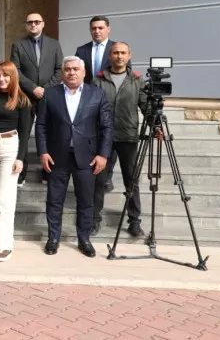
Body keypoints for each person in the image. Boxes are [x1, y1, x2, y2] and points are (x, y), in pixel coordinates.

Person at [36, 56, 113, 258]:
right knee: (54, 200)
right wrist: (43, 151)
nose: (71, 72)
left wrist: (103, 154)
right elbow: (41, 125)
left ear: (84, 72)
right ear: (62, 72)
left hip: (87, 157)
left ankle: (84, 239)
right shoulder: (50, 94)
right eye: (68, 69)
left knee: (86, 201)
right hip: (56, 156)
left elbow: (107, 127)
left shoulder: (97, 94)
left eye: (76, 69)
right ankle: (53, 238)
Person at [92, 42, 147, 237]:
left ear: (129, 55)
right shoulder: (98, 79)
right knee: (98, 180)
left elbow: (145, 106)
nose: (119, 56)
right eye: (116, 52)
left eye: (123, 53)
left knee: (131, 180)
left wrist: (155, 122)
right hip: (103, 137)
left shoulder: (137, 80)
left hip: (127, 136)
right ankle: (94, 219)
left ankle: (134, 220)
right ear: (110, 55)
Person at [0, 62, 32, 262]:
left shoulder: (22, 100)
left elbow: (25, 132)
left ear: (13, 77)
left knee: (5, 200)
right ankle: (1, 240)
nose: (1, 79)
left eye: (5, 75)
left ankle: (5, 246)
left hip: (10, 147)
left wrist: (21, 158)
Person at [75, 15, 127, 193]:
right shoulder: (82, 50)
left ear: (108, 29)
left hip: (111, 101)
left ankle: (107, 176)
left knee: (109, 138)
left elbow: (125, 75)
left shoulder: (117, 49)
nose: (97, 31)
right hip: (87, 102)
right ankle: (90, 172)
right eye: (94, 28)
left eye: (100, 28)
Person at [10, 12, 63, 187]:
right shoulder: (18, 45)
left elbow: (59, 69)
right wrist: (33, 88)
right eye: (30, 22)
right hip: (26, 96)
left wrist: (46, 90)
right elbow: (15, 70)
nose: (33, 25)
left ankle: (48, 172)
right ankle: (21, 173)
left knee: (50, 134)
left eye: (37, 22)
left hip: (49, 97)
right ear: (26, 25)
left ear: (42, 24)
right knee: (23, 133)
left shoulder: (54, 44)